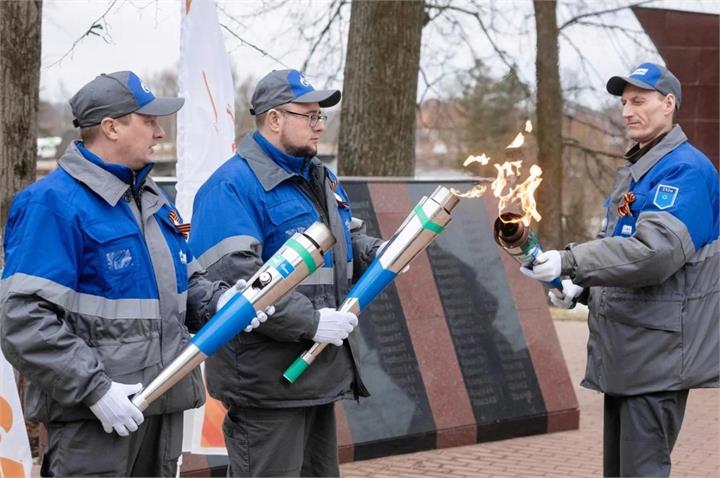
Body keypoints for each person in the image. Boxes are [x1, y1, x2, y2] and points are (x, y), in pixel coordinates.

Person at [0, 71, 266, 477]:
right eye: (149, 121)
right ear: (111, 127)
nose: (159, 132)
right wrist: (95, 389)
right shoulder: (52, 204)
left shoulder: (152, 198)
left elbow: (185, 284)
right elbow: (23, 319)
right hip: (95, 420)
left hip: (161, 408)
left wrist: (222, 302)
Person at [521, 62, 719, 477]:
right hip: (630, 353)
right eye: (624, 102)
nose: (627, 111)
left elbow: (655, 254)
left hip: (657, 357)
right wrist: (582, 290)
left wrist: (571, 261)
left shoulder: (685, 170)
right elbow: (623, 257)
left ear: (668, 104)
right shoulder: (640, 170)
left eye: (639, 101)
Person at [189, 69, 383, 477]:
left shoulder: (319, 176)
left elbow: (346, 239)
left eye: (320, 116)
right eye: (309, 116)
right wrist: (311, 322)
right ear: (275, 119)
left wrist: (383, 253)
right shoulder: (230, 187)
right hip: (266, 384)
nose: (319, 125)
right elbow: (241, 282)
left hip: (316, 375)